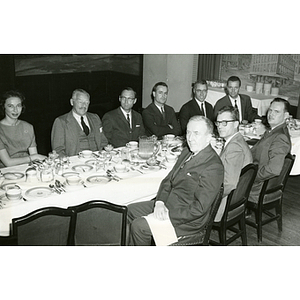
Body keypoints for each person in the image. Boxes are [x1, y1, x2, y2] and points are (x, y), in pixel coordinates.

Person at [127, 115, 224, 245]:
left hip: (187, 220)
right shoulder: (187, 152)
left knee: (139, 227)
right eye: (188, 132)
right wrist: (160, 202)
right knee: (129, 210)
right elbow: (168, 180)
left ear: (208, 138)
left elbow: (199, 208)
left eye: (196, 133)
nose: (190, 138)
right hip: (168, 204)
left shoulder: (213, 166)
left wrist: (168, 215)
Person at [212, 106, 253, 221]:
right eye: (218, 122)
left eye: (224, 122)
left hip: (223, 206)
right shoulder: (237, 140)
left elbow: (229, 184)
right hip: (236, 200)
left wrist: (208, 195)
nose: (219, 126)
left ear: (236, 124)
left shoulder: (234, 148)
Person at [248, 98, 291, 203]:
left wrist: (250, 177)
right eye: (270, 110)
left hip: (258, 188)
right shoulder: (274, 131)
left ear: (286, 116)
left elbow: (273, 169)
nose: (271, 114)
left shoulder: (280, 138)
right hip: (259, 182)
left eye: (276, 112)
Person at [51, 88, 108, 157]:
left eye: (87, 103)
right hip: (75, 163)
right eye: (80, 102)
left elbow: (103, 141)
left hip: (97, 160)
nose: (84, 106)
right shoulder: (61, 122)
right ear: (72, 102)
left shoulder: (95, 118)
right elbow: (58, 150)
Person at [0, 90, 46, 168]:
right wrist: (34, 157)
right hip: (6, 171)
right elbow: (8, 162)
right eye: (10, 106)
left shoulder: (28, 127)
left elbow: (34, 154)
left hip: (28, 167)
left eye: (18, 105)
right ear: (3, 107)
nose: (15, 110)